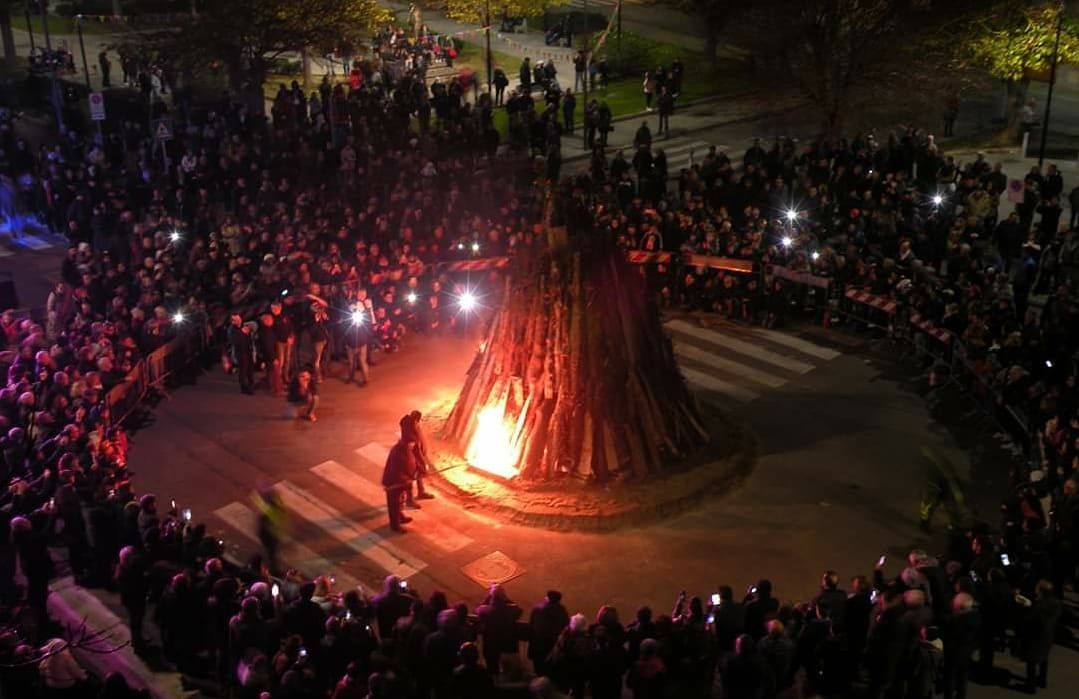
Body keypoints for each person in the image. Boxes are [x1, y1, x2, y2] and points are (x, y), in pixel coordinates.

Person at [1020, 580, 1062, 693]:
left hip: (1036, 636)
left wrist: (1027, 607)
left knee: (1031, 661)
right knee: (1044, 658)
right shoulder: (1056, 602)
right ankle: (1042, 680)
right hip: (1048, 634)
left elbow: (1031, 619)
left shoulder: (1040, 605)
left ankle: (1030, 686)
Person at [528, 590, 569, 677]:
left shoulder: (537, 609)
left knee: (539, 673)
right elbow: (565, 626)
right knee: (551, 674)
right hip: (552, 647)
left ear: (547, 598)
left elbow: (531, 626)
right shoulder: (561, 611)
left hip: (537, 646)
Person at [382, 435, 417, 532]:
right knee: (394, 504)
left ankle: (400, 516)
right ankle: (395, 525)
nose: (413, 446)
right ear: (407, 443)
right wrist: (404, 479)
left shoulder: (406, 450)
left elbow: (410, 464)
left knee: (401, 500)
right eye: (412, 444)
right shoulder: (397, 452)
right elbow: (395, 470)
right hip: (393, 482)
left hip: (402, 482)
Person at [400, 411, 435, 506]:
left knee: (418, 474)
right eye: (417, 421)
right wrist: (423, 462)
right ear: (415, 419)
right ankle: (409, 500)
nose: (418, 423)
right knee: (409, 478)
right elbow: (416, 448)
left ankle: (421, 492)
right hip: (411, 458)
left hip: (415, 456)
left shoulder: (410, 425)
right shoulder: (410, 430)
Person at [228, 313, 256, 394]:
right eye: (235, 320)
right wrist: (242, 332)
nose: (237, 321)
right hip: (240, 352)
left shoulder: (244, 326)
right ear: (232, 321)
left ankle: (251, 385)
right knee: (243, 370)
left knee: (250, 369)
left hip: (248, 350)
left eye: (238, 319)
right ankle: (244, 388)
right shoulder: (232, 329)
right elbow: (234, 341)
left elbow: (254, 328)